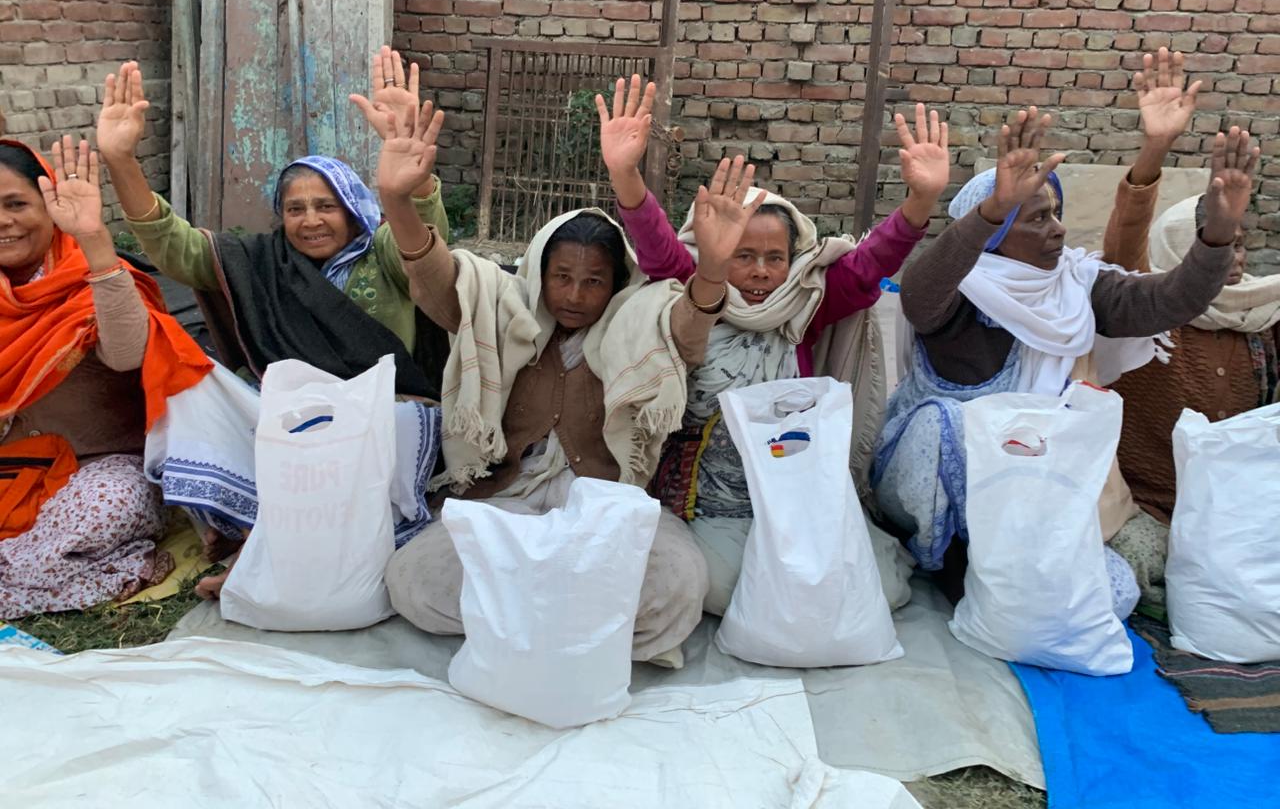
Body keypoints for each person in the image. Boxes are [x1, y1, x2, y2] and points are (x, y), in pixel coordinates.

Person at [376, 100, 762, 666]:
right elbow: (435, 276)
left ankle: (518, 630)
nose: (576, 295)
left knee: (679, 583)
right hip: (504, 501)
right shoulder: (497, 307)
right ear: (538, 270)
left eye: (593, 281)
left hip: (607, 506)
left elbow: (688, 326)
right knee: (415, 579)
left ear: (616, 283)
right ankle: (578, 634)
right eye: (561, 277)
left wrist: (712, 270)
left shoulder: (643, 320)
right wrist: (396, 201)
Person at [872, 104, 1253, 619]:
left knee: (1114, 592)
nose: (1057, 230)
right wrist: (992, 209)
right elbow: (919, 295)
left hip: (1030, 482)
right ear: (994, 234)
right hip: (934, 479)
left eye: (1056, 213)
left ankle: (1013, 567)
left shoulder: (1075, 285)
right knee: (949, 425)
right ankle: (950, 562)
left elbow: (1168, 301)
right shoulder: (961, 288)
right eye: (1036, 218)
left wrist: (1218, 236)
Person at [101, 53, 451, 598]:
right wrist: (122, 162)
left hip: (383, 414)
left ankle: (312, 550)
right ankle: (259, 539)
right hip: (292, 418)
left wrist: (412, 186)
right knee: (192, 389)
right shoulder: (259, 262)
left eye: (326, 206)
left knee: (397, 427)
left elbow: (423, 242)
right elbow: (176, 248)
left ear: (353, 207)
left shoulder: (383, 251)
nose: (310, 221)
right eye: (295, 209)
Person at [596, 76, 950, 614]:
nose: (761, 272)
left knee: (879, 588)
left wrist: (921, 200)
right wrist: (626, 175)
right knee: (724, 592)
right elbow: (658, 246)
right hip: (708, 502)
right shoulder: (695, 286)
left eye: (775, 258)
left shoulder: (806, 304)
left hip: (794, 494)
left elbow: (870, 264)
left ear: (793, 261)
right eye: (743, 255)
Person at [0, 135, 211, 616]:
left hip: (95, 472)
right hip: (10, 470)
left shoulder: (94, 279)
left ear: (50, 207)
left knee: (110, 505)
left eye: (16, 204)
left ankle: (35, 569)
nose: (3, 221)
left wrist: (95, 240)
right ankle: (75, 573)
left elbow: (129, 354)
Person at [1102, 50, 1270, 531]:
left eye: (1237, 244)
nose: (1231, 258)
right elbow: (1123, 246)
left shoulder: (1263, 310)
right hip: (1147, 507)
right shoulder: (1149, 307)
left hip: (1238, 509)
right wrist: (1155, 148)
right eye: (1213, 244)